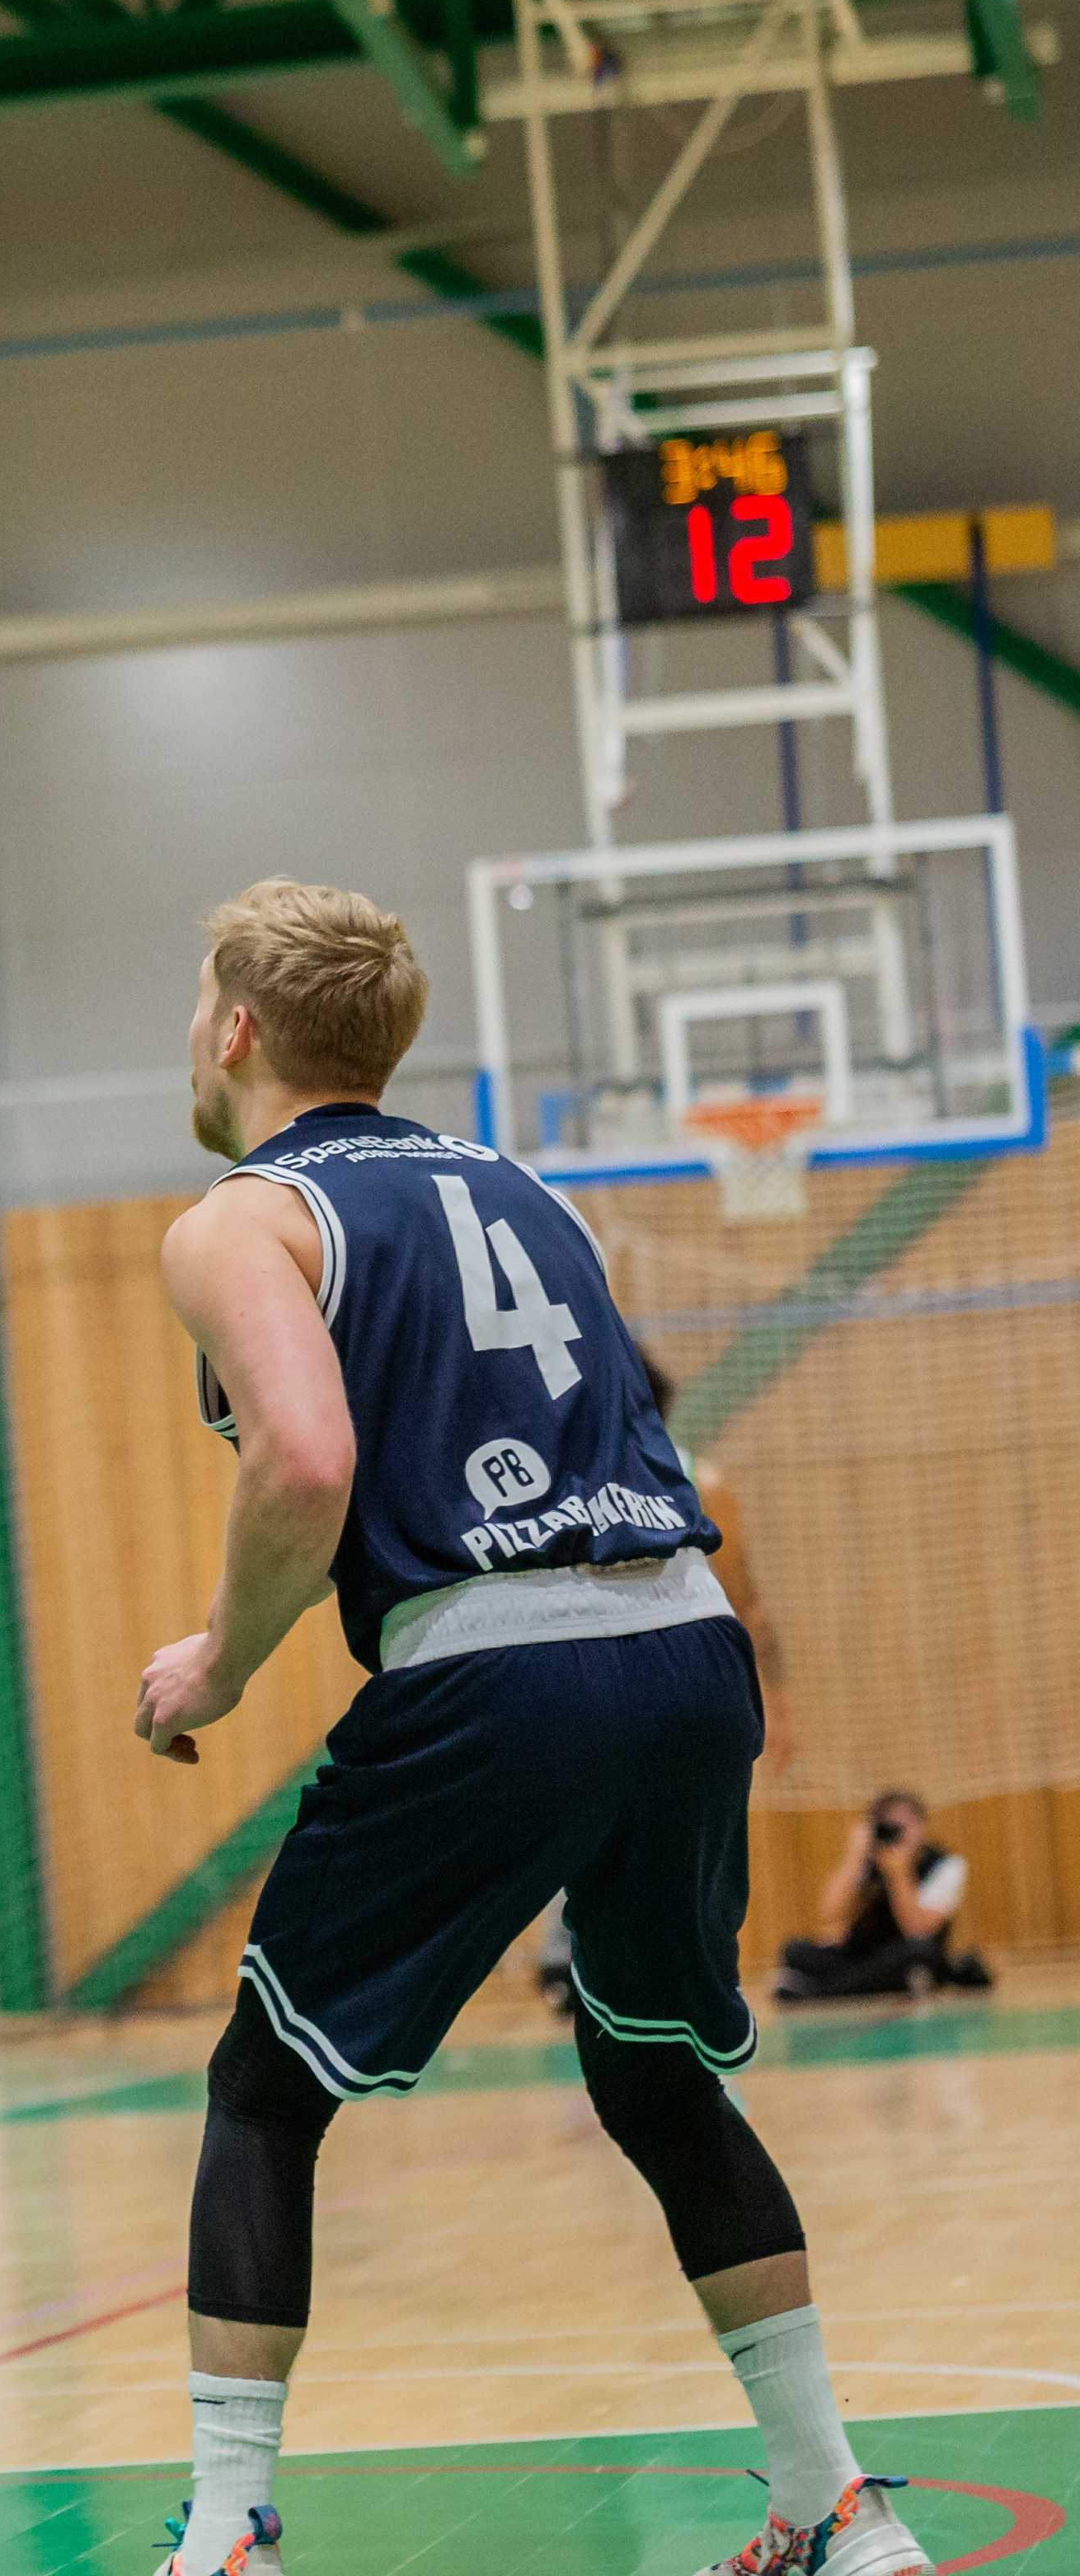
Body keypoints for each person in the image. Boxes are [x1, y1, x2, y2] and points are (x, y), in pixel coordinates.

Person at [136, 880, 925, 2576]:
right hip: (683, 1648)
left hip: (499, 1668)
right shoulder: (528, 1188)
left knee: (264, 2091)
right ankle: (836, 2509)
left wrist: (215, 1659)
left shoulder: (236, 1222)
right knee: (652, 2077)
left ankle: (222, 2532)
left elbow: (306, 1462)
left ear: (236, 1030)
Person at [531, 1337, 786, 2014]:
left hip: (617, 1689)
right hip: (677, 1693)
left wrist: (779, 1708)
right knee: (651, 1853)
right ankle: (614, 1976)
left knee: (620, 1847)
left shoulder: (568, 1483)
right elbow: (751, 1613)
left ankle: (611, 1977)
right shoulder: (684, 1481)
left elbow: (749, 1610)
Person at [776, 1791, 990, 2002]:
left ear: (922, 1826)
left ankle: (818, 1993)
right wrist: (853, 1858)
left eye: (904, 1826)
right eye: (888, 1827)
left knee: (919, 1952)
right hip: (868, 1956)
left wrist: (899, 1874)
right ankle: (853, 1986)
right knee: (795, 1950)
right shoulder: (867, 1861)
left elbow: (918, 1930)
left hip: (908, 1954)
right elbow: (829, 1912)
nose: (897, 1834)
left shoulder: (945, 1865)